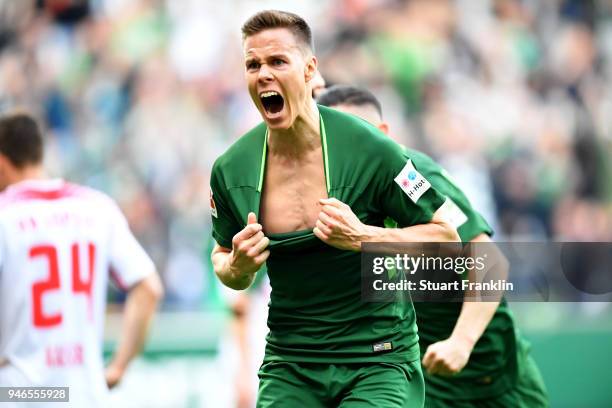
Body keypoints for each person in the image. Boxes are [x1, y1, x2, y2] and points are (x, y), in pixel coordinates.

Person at [209, 10, 461, 408]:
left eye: (277, 61)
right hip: (290, 364)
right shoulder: (231, 169)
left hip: (378, 360)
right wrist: (238, 267)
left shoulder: (373, 149)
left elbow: (448, 238)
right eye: (252, 64)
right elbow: (222, 260)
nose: (263, 74)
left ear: (310, 70)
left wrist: (364, 237)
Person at [317, 84, 549, 408]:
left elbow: (490, 260)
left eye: (361, 136)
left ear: (384, 133)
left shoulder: (412, 177)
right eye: (339, 140)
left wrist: (461, 343)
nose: (352, 149)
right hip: (422, 383)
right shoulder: (334, 192)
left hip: (490, 380)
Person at [0, 111, 163, 407]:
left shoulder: (5, 216)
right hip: (84, 394)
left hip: (19, 394)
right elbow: (149, 288)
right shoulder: (97, 208)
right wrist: (117, 367)